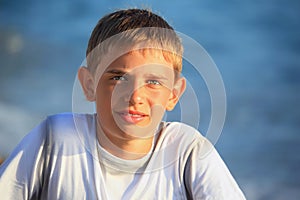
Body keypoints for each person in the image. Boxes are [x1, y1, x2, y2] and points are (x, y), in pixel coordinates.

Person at [0, 8, 246, 199]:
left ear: (173, 94)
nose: (135, 96)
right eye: (118, 77)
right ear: (88, 84)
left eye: (153, 82)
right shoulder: (54, 140)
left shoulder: (186, 153)